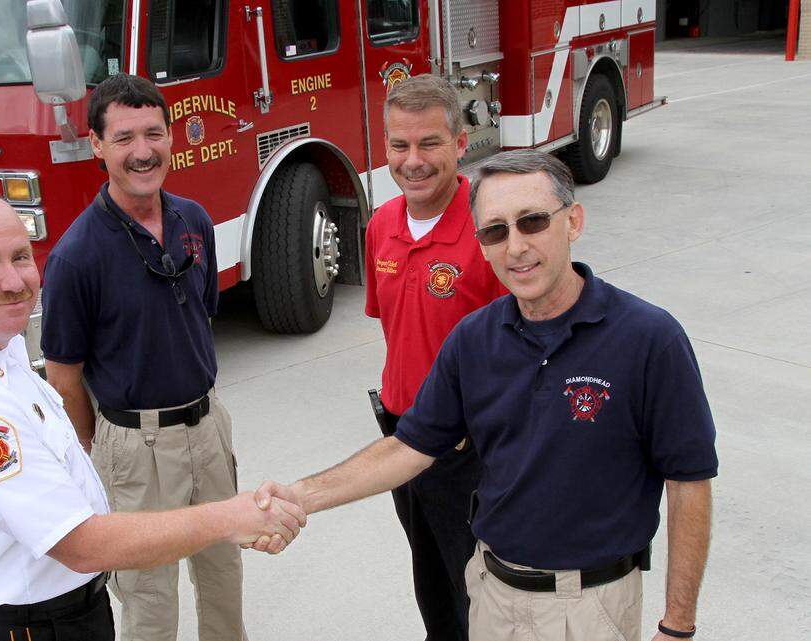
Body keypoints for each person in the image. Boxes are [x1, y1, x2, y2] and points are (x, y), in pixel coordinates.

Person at [255, 150, 717, 641]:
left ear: (573, 221)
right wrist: (298, 496)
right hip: (491, 594)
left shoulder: (649, 338)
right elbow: (408, 449)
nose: (515, 247)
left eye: (533, 222)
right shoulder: (473, 339)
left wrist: (678, 626)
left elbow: (689, 483)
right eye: (495, 231)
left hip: (588, 609)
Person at [0, 189, 305, 641]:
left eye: (19, 256)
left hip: (65, 612)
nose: (13, 281)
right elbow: (84, 545)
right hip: (34, 626)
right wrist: (233, 517)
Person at [39, 74, 244, 641]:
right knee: (149, 599)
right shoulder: (76, 257)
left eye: (154, 133)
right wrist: (106, 444)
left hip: (207, 430)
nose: (143, 151)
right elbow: (63, 378)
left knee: (224, 573)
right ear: (97, 145)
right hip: (136, 447)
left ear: (172, 139)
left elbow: (200, 313)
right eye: (124, 137)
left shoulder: (193, 221)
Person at [364, 74, 506, 641]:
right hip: (403, 437)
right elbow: (399, 333)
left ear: (461, 142)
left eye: (429, 143)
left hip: (471, 448)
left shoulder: (492, 227)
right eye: (399, 145)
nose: (413, 161)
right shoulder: (380, 227)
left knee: (482, 588)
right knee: (431, 581)